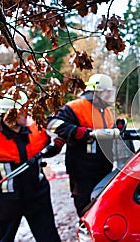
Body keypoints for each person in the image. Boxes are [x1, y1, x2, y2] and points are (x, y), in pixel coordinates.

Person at [0, 91, 63, 242]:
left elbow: (44, 153)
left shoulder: (37, 132)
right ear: (7, 114)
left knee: (49, 238)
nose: (27, 113)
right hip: (5, 204)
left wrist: (56, 148)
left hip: (37, 198)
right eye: (22, 111)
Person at [47, 74, 118, 217]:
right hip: (82, 170)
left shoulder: (106, 111)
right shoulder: (76, 107)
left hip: (103, 167)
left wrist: (118, 127)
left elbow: (106, 132)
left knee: (101, 203)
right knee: (85, 204)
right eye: (106, 91)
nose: (108, 95)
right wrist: (76, 131)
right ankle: (85, 232)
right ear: (95, 92)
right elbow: (51, 123)